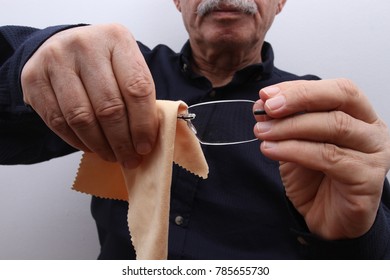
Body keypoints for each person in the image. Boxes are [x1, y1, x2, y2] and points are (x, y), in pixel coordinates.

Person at [1, 0, 390, 259]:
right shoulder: (112, 78)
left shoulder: (318, 111)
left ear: (280, 2)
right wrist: (31, 60)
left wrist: (357, 237)